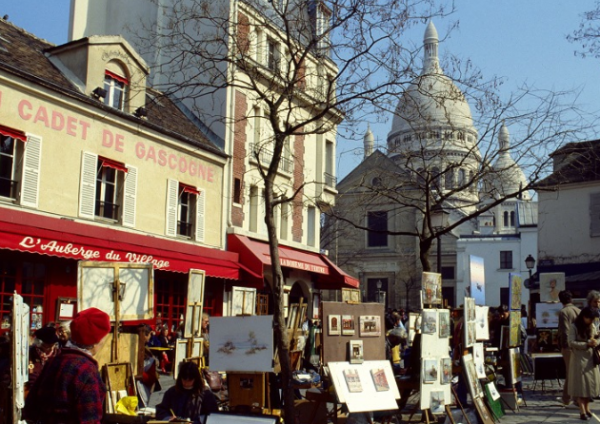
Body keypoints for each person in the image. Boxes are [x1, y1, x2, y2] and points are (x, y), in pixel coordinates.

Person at [24, 307, 111, 424]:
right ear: (96, 342)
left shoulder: (54, 361)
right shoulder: (86, 370)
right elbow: (90, 420)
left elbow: (31, 409)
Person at [567, 306, 600, 420]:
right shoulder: (574, 326)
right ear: (584, 317)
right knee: (581, 386)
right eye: (589, 318)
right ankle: (582, 411)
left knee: (589, 386)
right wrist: (586, 344)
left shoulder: (591, 326)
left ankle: (587, 408)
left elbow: (596, 338)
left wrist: (595, 341)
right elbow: (571, 342)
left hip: (590, 359)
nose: (591, 321)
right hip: (579, 359)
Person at [558, 290, 581, 406]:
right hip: (579, 345)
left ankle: (569, 398)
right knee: (575, 372)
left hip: (569, 346)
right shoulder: (578, 311)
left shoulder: (563, 312)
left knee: (570, 372)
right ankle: (571, 397)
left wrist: (565, 345)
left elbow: (565, 331)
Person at [27, 326, 60, 392]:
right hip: (35, 390)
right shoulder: (31, 354)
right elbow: (32, 373)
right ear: (39, 343)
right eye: (47, 346)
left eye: (53, 345)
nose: (51, 348)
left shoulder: (58, 354)